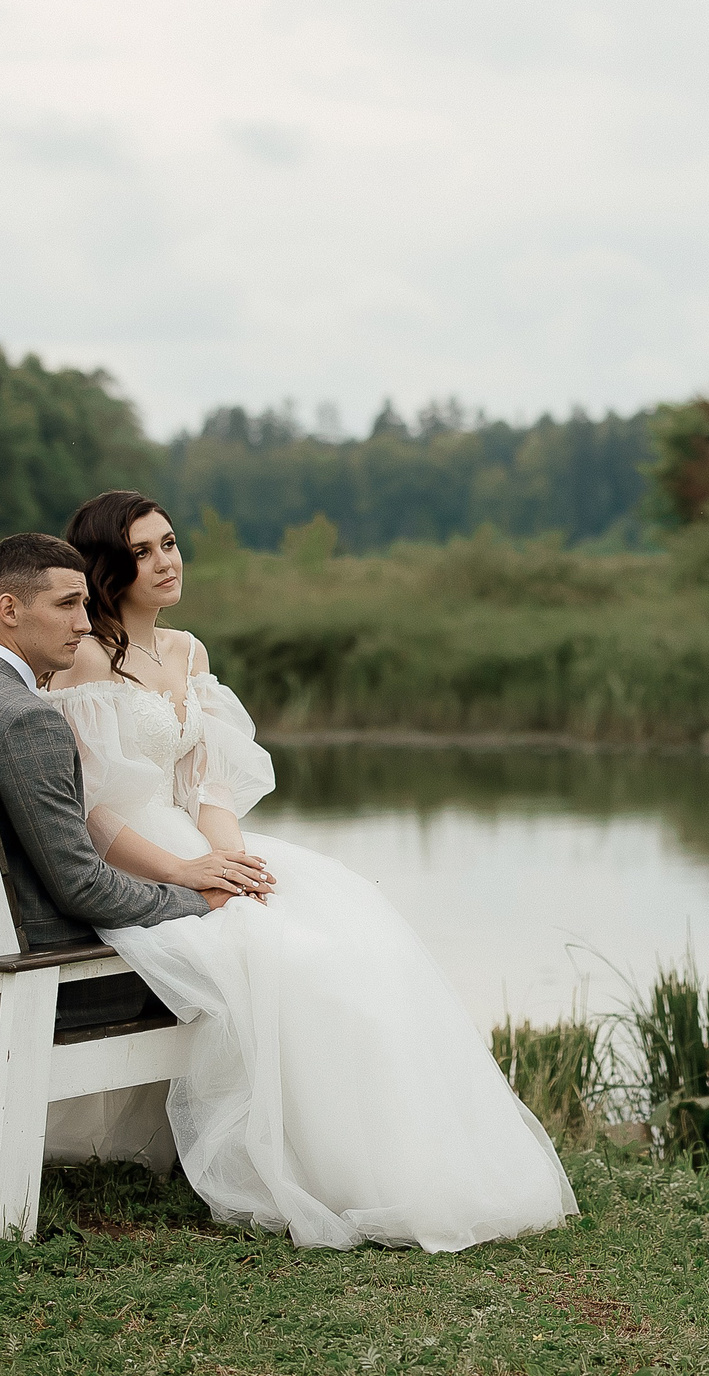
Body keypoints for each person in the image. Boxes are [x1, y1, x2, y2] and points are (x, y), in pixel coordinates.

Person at [42, 489, 578, 1251]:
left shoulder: (189, 652)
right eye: (142, 551)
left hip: (199, 846)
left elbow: (208, 785)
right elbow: (93, 812)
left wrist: (232, 856)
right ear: (106, 567)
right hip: (138, 862)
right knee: (287, 958)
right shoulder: (88, 656)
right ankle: (316, 1169)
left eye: (169, 542)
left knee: (358, 932)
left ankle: (400, 1162)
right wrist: (189, 870)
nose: (166, 561)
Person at [0, 533, 262, 1030]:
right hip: (52, 971)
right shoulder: (27, 720)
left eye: (85, 604)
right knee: (264, 967)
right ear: (8, 609)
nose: (83, 623)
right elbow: (83, 888)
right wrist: (197, 900)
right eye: (67, 605)